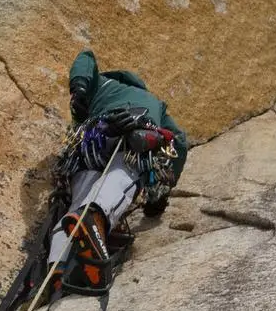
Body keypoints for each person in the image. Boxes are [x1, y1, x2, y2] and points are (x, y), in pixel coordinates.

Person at [46, 50, 190, 293]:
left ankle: (58, 265)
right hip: (139, 134)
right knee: (127, 170)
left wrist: (79, 86)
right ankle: (95, 217)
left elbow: (86, 58)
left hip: (94, 140)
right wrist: (160, 193)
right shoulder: (155, 102)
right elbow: (179, 143)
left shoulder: (103, 84)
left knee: (82, 192)